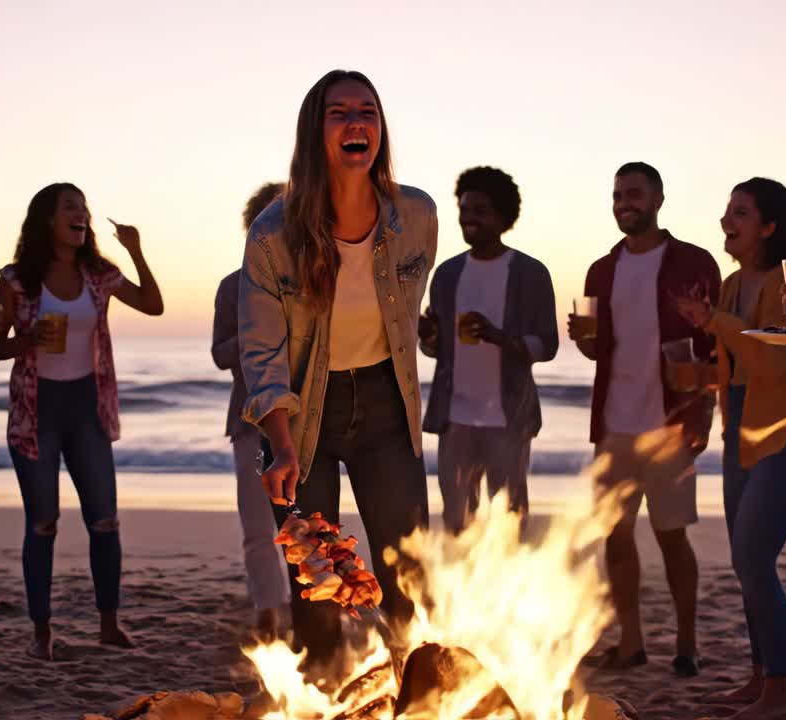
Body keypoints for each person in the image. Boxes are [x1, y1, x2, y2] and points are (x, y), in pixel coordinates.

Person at [239, 69, 437, 672]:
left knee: (407, 573)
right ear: (314, 132)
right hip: (305, 413)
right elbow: (261, 351)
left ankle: (420, 696)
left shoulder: (417, 215)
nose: (357, 123)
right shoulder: (272, 233)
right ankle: (323, 696)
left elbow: (404, 318)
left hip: (385, 404)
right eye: (339, 113)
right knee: (317, 586)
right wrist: (281, 446)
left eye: (368, 111)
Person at [0, 183, 163, 660]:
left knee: (104, 520)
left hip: (88, 409)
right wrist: (28, 340)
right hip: (36, 414)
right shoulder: (16, 281)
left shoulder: (98, 275)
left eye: (84, 207)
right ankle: (41, 631)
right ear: (47, 219)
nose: (80, 214)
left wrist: (136, 251)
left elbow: (153, 305)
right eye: (70, 207)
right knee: (42, 523)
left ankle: (109, 623)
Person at [672, 179, 786, 719]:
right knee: (746, 564)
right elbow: (734, 369)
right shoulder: (734, 284)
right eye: (727, 211)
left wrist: (711, 320)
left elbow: (774, 358)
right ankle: (760, 679)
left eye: (740, 212)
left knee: (753, 558)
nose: (725, 221)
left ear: (769, 225)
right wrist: (695, 380)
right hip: (740, 431)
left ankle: (779, 693)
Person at [570, 162, 721, 677]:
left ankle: (687, 643)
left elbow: (716, 346)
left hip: (672, 425)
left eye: (633, 194)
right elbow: (598, 351)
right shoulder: (601, 270)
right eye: (617, 195)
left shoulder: (694, 262)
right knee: (615, 535)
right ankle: (631, 642)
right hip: (614, 425)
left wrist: (704, 411)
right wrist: (584, 340)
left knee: (671, 534)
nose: (623, 204)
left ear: (658, 198)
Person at [419, 166, 558, 533]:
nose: (469, 218)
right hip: (455, 419)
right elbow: (436, 351)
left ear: (503, 216)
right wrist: (429, 337)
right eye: (464, 210)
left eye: (480, 211)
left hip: (508, 419)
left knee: (509, 523)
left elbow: (547, 345)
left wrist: (500, 338)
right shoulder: (447, 274)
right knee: (456, 522)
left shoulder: (531, 273)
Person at [212, 182, 291, 640]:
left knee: (307, 520)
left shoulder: (313, 282)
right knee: (257, 523)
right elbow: (220, 354)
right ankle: (267, 609)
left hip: (305, 418)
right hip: (249, 419)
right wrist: (252, 336)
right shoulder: (232, 287)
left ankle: (311, 606)